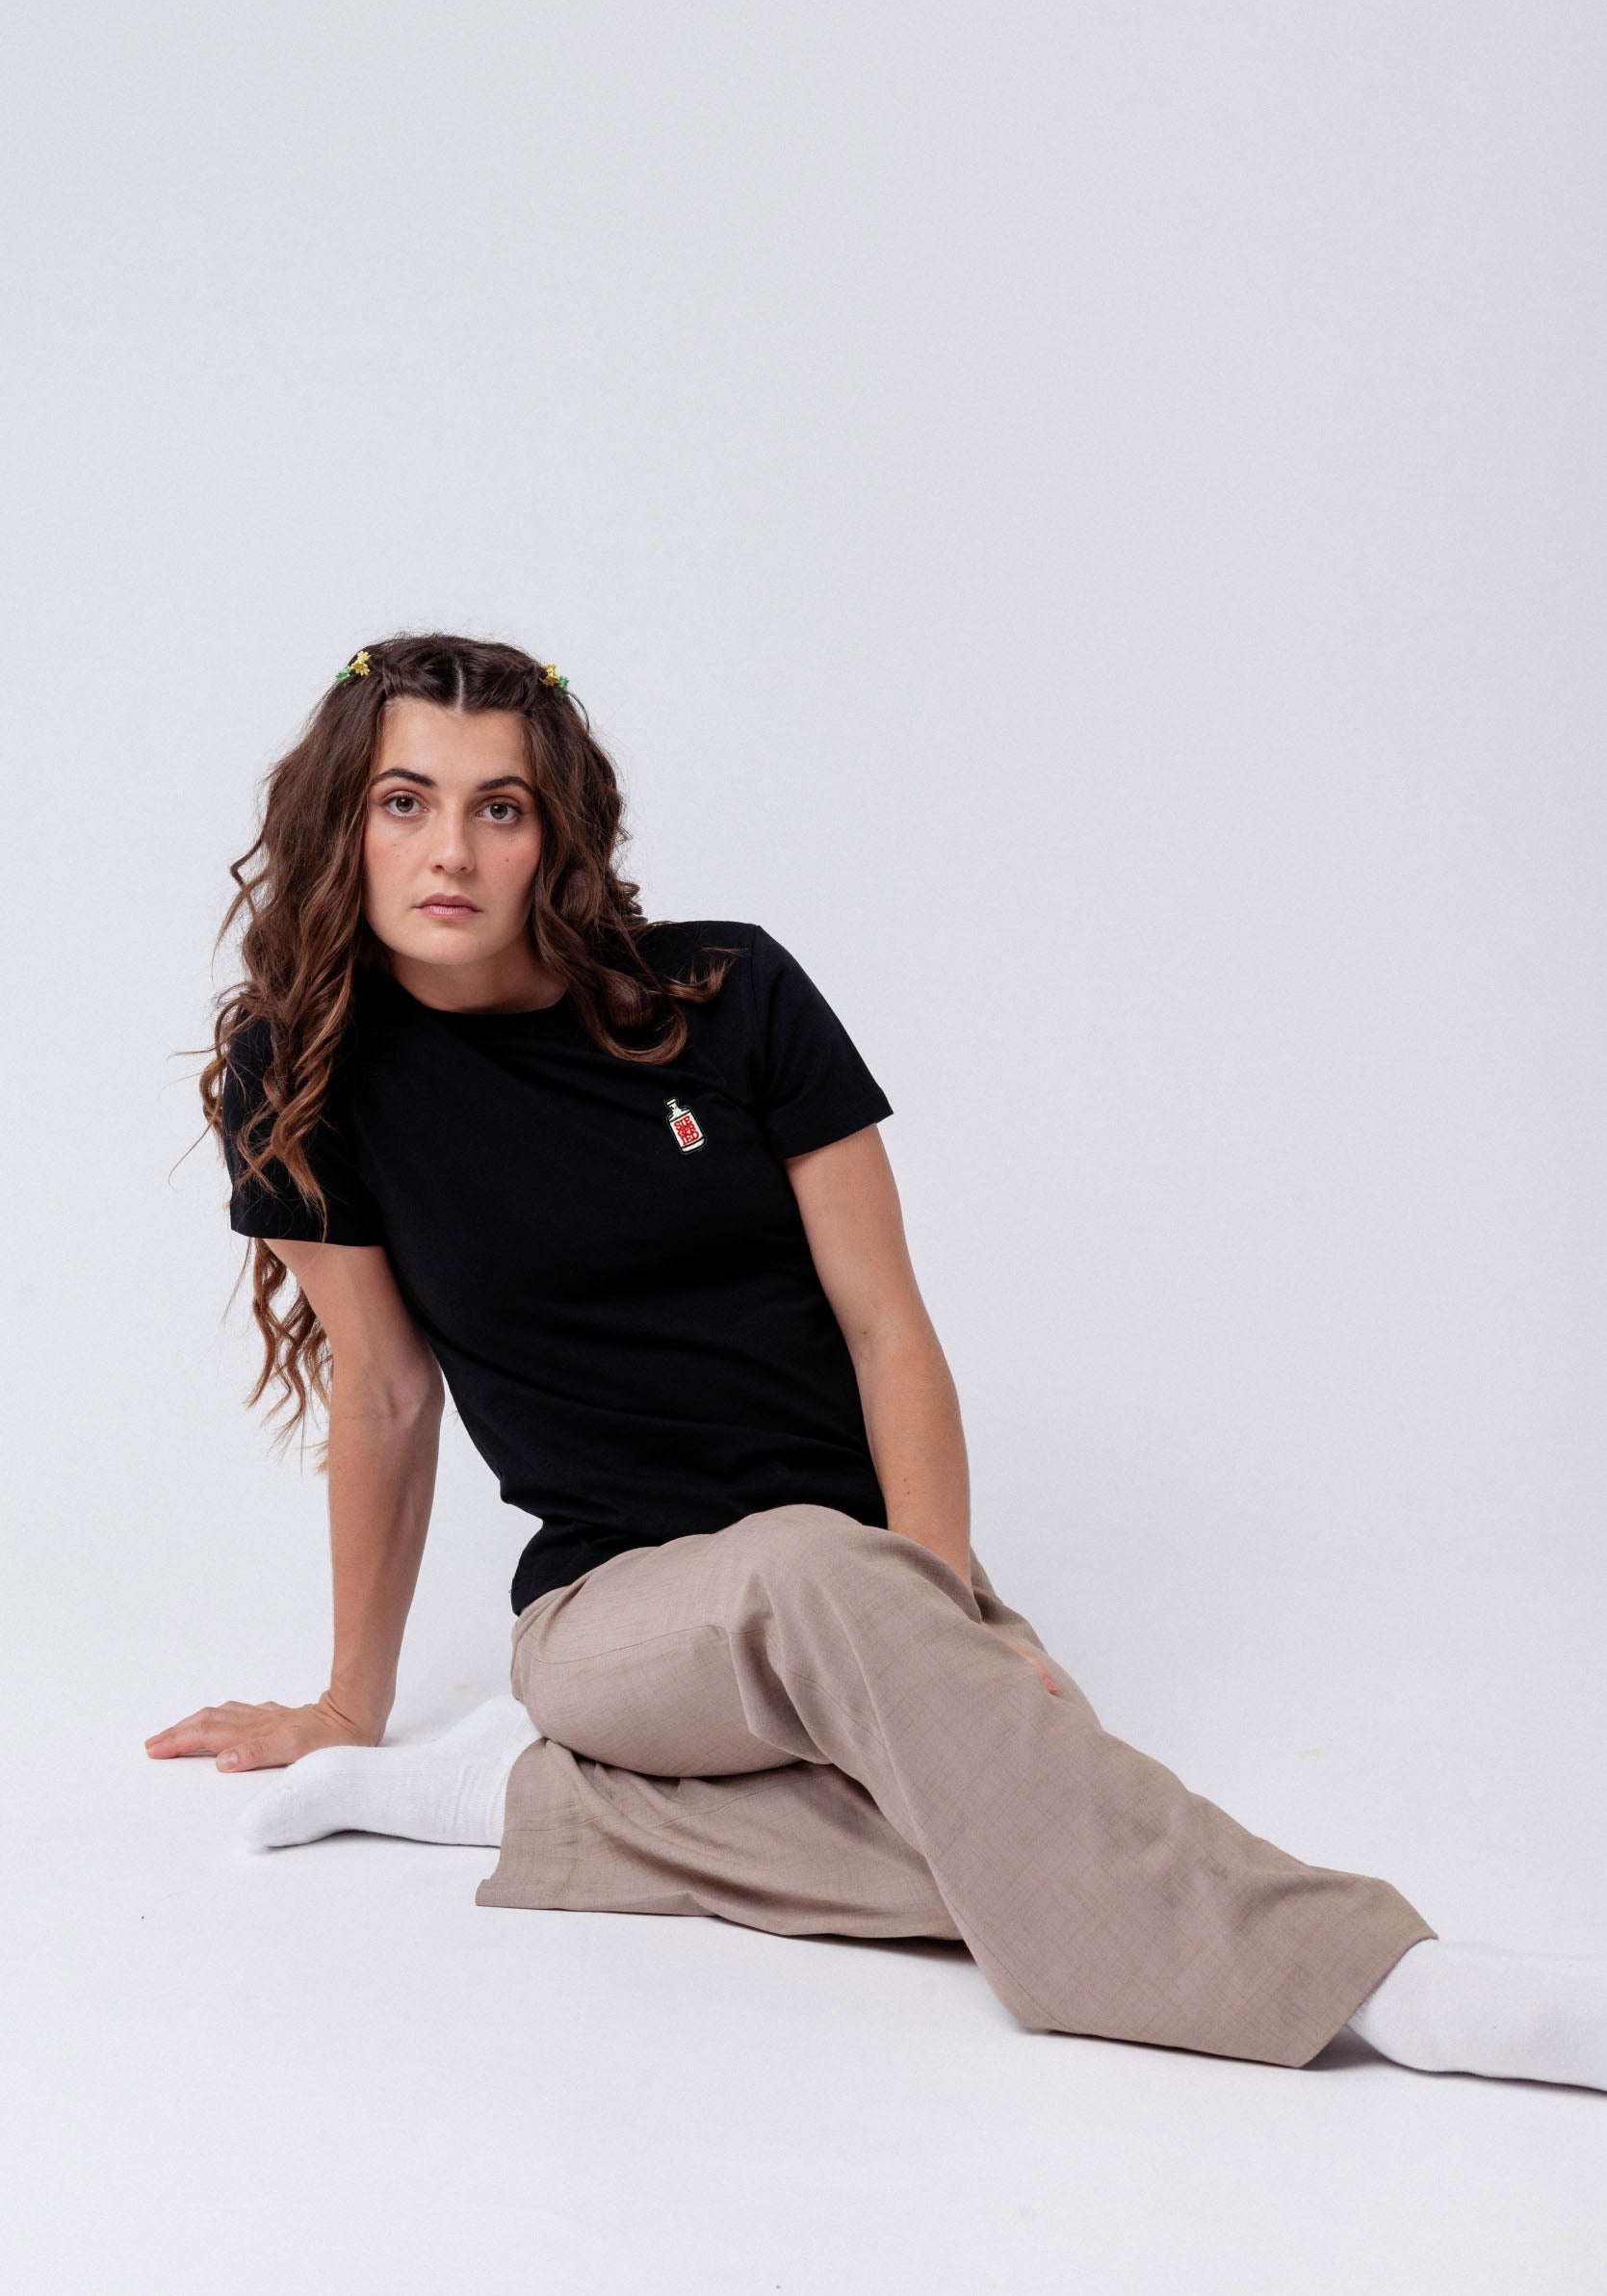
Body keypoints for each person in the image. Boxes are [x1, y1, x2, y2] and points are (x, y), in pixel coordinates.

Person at [147, 632, 1605, 2093]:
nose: (450, 850)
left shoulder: (729, 995)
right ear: (342, 819)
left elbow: (886, 1324)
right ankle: (1396, 1990)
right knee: (966, 1740)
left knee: (1002, 1803)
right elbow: (385, 1389)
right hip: (614, 1618)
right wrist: (348, 1703)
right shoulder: (305, 1069)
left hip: (876, 1582)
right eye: (404, 802)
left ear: (556, 836)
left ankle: (536, 1803)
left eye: (500, 807)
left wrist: (947, 1598)